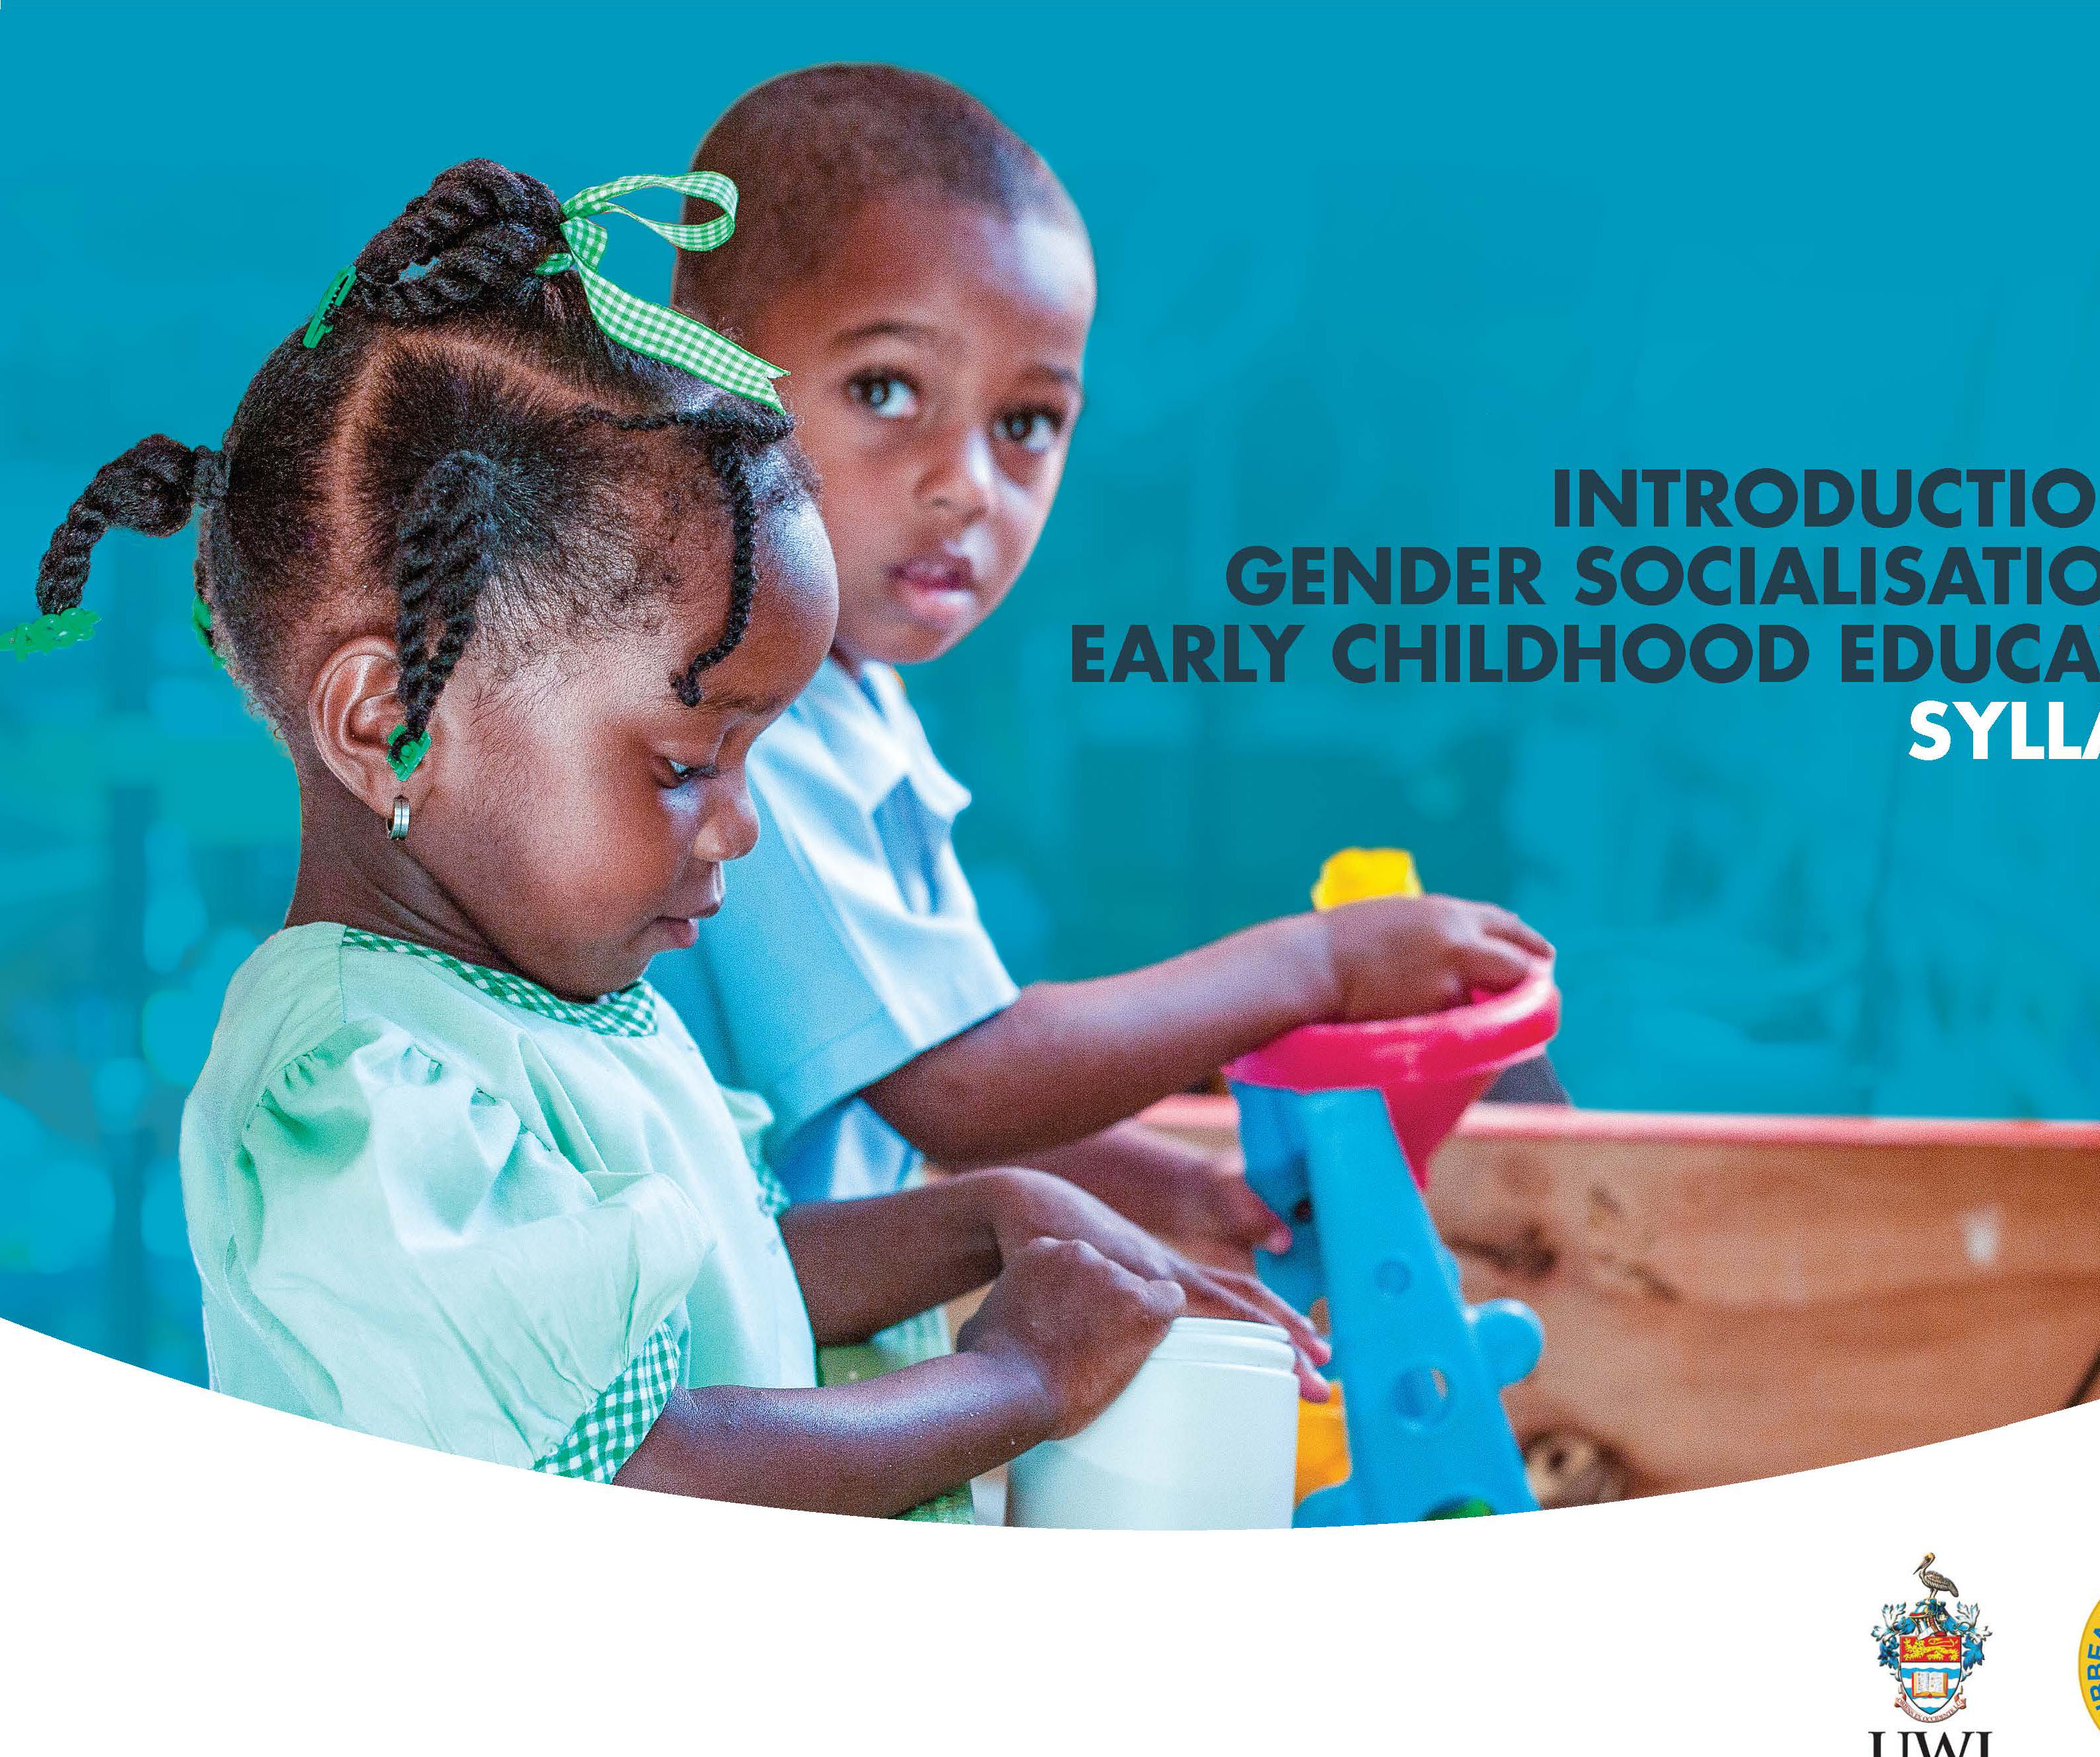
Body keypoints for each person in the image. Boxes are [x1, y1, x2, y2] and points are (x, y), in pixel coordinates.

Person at [16, 158, 1317, 1518]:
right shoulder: (356, 1089)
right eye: (691, 763)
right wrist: (1017, 1383)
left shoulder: (552, 1005)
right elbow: (644, 1469)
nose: (740, 828)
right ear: (387, 721)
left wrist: (983, 1217)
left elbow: (725, 1284)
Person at [653, 69, 1554, 1341]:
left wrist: (1184, 1190)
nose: (968, 486)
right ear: (706, 367)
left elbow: (910, 1081)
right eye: (888, 391)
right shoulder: (752, 714)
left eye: (1026, 421)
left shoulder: (855, 698)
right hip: (699, 1389)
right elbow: (961, 1084)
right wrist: (1324, 963)